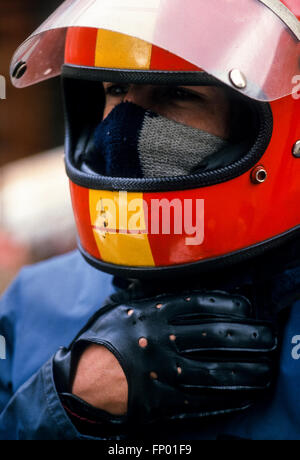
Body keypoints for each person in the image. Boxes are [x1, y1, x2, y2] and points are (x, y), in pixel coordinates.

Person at [1, 0, 300, 440]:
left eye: (177, 93)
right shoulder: (31, 302)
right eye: (115, 90)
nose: (122, 126)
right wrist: (63, 403)